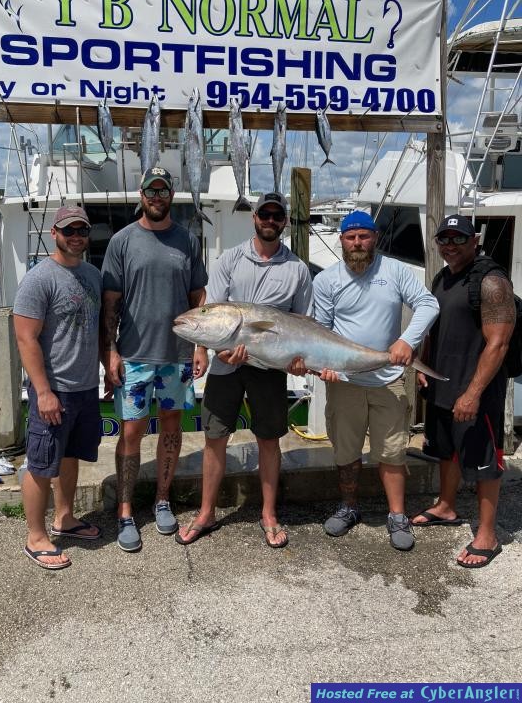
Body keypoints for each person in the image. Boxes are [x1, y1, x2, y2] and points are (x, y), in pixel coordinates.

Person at [176, 191, 313, 549]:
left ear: (285, 222)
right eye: (264, 214)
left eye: (277, 216)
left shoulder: (297, 269)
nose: (270, 221)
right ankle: (206, 512)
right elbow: (211, 314)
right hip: (226, 365)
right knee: (215, 438)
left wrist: (299, 360)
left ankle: (268, 514)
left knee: (268, 439)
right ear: (254, 218)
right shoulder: (230, 259)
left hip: (269, 366)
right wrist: (205, 348)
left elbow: (303, 323)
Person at [312, 210, 439, 551]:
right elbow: (321, 331)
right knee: (346, 450)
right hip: (344, 380)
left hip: (389, 379)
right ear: (341, 240)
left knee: (392, 451)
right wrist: (323, 367)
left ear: (375, 238)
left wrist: (407, 341)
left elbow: (428, 303)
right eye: (350, 237)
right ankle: (349, 507)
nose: (357, 242)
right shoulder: (325, 280)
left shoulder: (395, 271)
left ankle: (397, 515)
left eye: (364, 236)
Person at [101, 166, 208, 552]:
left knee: (172, 427)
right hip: (134, 356)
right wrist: (110, 351)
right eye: (151, 190)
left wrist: (201, 345)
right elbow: (110, 304)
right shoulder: (122, 241)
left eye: (163, 191)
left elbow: (198, 297)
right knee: (131, 431)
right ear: (141, 194)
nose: (157, 197)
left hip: (177, 355)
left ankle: (163, 499)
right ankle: (125, 511)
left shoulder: (187, 240)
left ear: (172, 195)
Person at [411, 215, 515, 568]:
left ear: (475, 241)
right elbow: (435, 327)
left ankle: (487, 534)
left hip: (476, 391)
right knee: (446, 451)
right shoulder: (443, 277)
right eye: (445, 238)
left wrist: (472, 393)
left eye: (459, 238)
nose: (450, 245)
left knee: (484, 461)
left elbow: (499, 344)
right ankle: (446, 506)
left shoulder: (492, 281)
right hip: (442, 384)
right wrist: (423, 365)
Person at [13, 205, 103, 570]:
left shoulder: (93, 275)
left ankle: (64, 518)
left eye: (82, 230)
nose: (76, 236)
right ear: (55, 234)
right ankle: (35, 537)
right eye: (69, 230)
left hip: (86, 386)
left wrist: (107, 367)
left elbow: (97, 328)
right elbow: (25, 338)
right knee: (40, 462)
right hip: (53, 389)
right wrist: (44, 391)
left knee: (70, 455)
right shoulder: (39, 279)